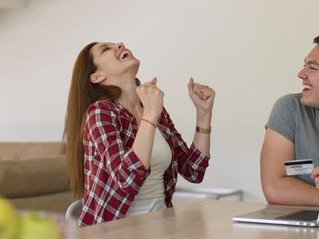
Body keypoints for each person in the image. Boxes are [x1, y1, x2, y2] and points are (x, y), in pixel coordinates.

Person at [63, 42, 215, 226]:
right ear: (97, 76)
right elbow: (126, 181)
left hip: (161, 226)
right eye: (105, 49)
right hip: (114, 231)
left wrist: (203, 113)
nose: (119, 44)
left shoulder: (153, 109)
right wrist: (150, 114)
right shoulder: (101, 113)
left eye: (117, 43)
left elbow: (194, 171)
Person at [260, 31, 319, 209]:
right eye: (304, 66)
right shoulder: (289, 109)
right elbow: (274, 187)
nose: (301, 74)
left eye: (312, 68)